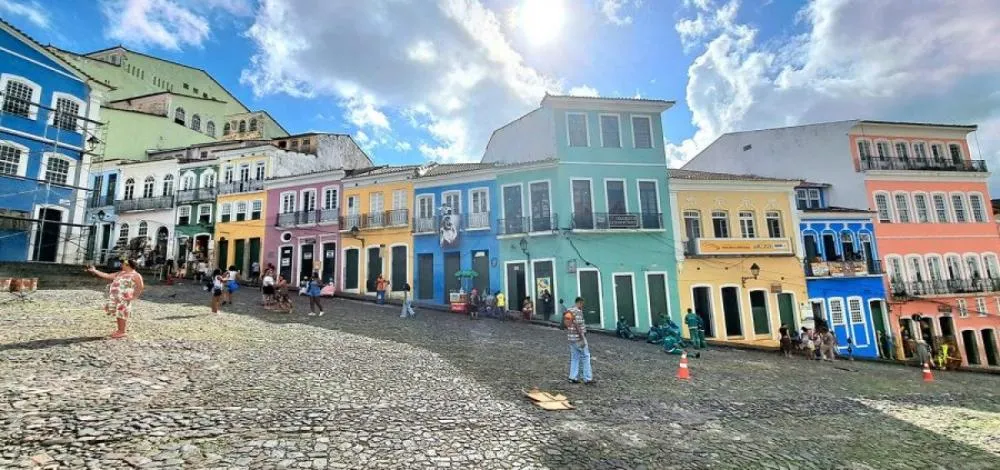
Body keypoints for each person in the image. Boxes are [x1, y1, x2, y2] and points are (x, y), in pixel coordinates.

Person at [86, 259, 145, 339]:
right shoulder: (120, 273)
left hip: (124, 298)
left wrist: (134, 296)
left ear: (128, 265)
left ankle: (122, 331)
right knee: (118, 313)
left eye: (123, 264)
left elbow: (140, 286)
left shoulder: (136, 275)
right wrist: (95, 271)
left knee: (122, 314)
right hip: (116, 297)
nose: (121, 265)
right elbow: (107, 275)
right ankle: (120, 330)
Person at [566, 297, 594, 385]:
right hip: (579, 338)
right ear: (580, 303)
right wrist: (582, 337)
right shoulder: (578, 312)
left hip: (571, 338)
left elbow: (566, 324)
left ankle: (572, 377)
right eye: (582, 304)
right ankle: (587, 378)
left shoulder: (569, 311)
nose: (582, 306)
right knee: (586, 356)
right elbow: (579, 326)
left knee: (575, 357)